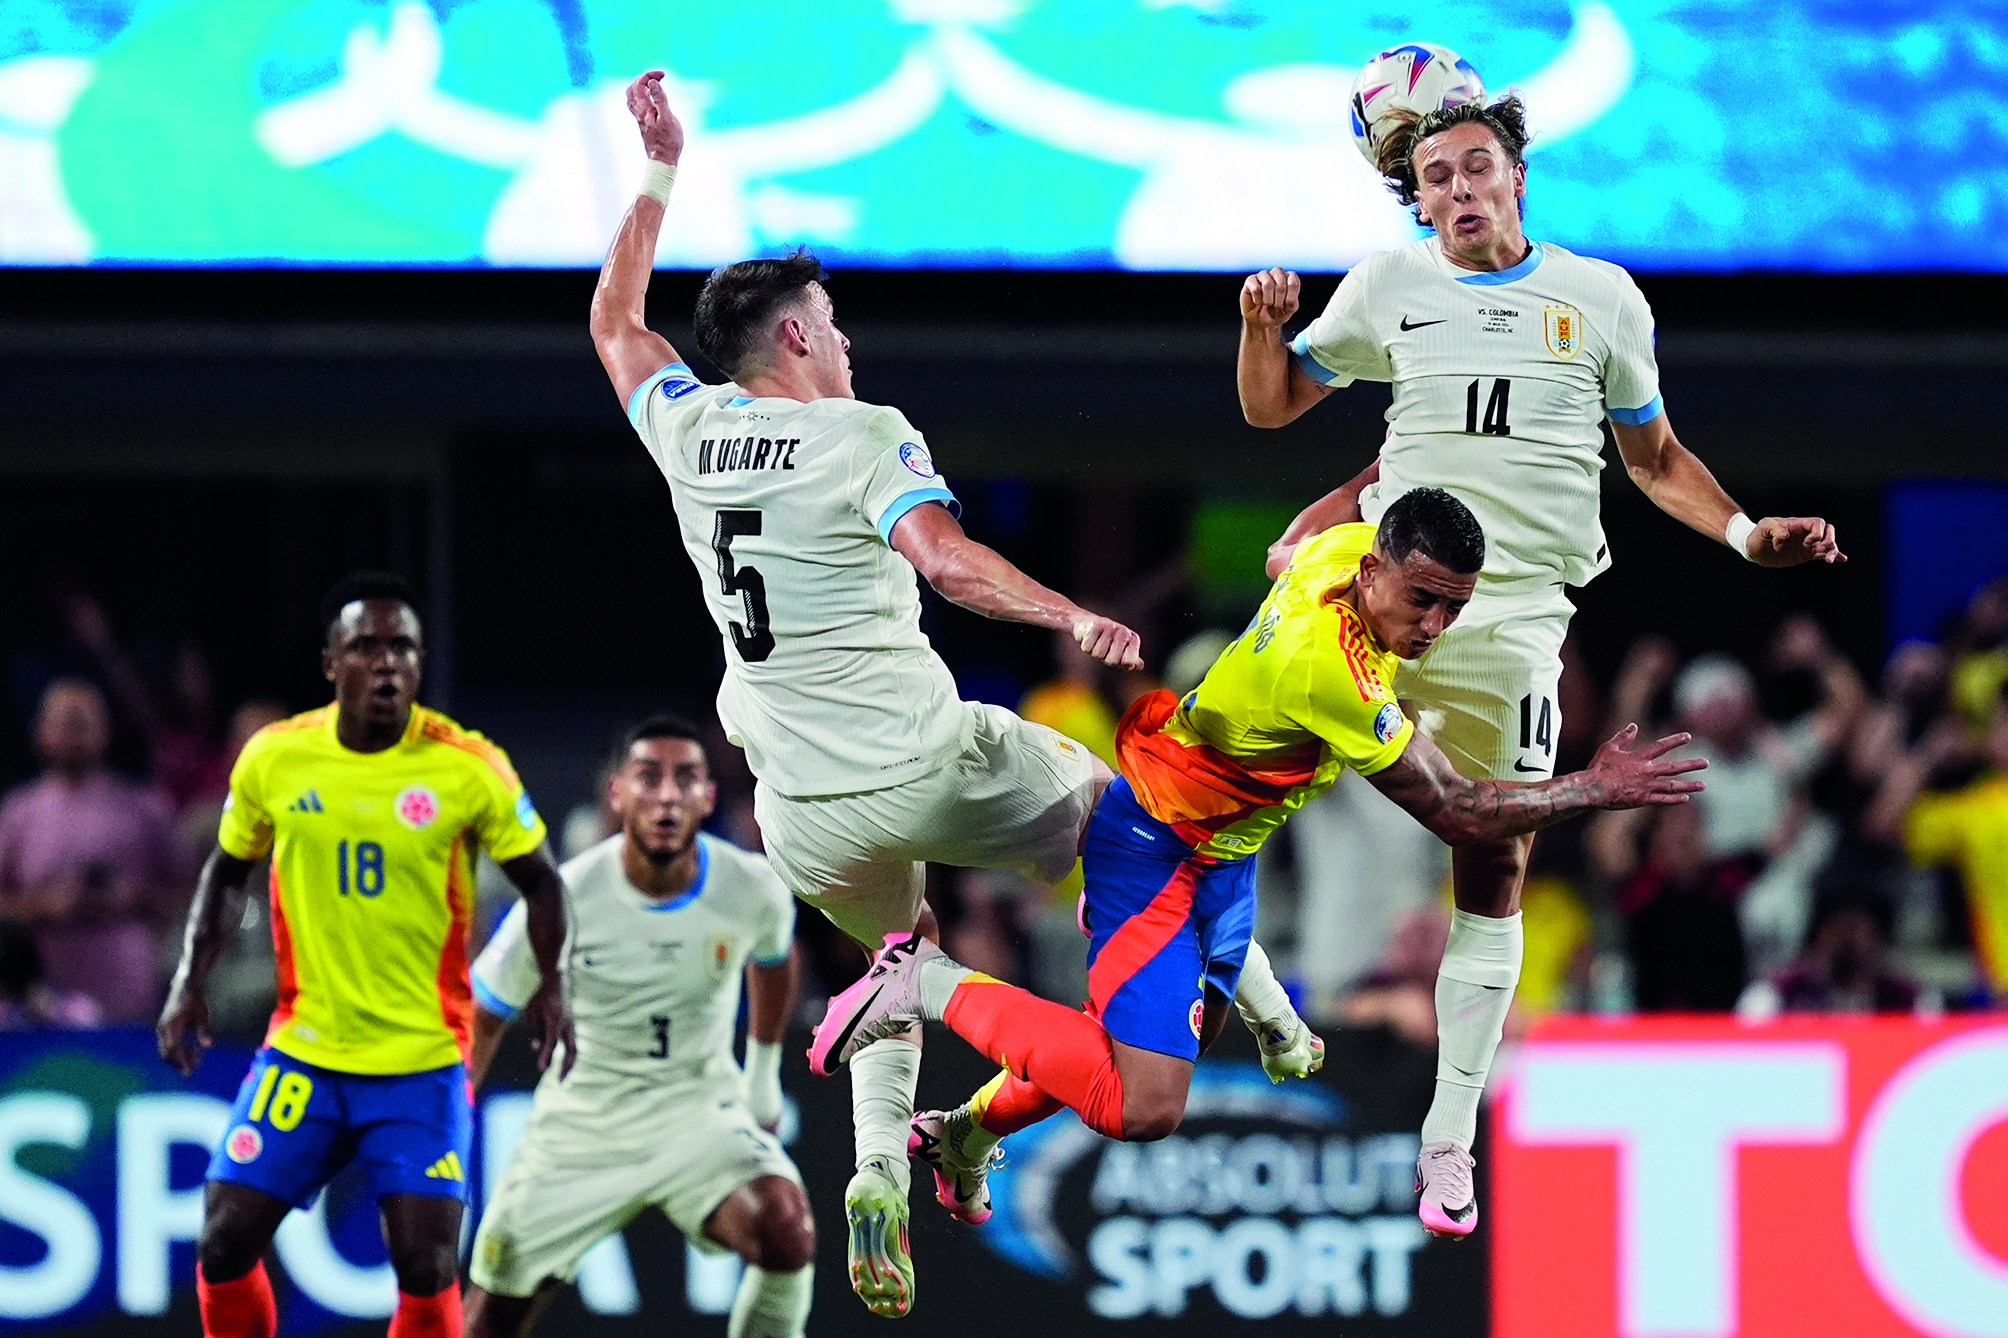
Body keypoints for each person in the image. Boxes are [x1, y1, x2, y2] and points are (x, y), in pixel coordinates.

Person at [588, 71, 1319, 1317]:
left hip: (803, 812)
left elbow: (615, 322)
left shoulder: (686, 426)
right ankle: (1272, 1019)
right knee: (1155, 815)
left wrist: (655, 176)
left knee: (894, 949)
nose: (850, 340)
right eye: (837, 323)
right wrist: (1066, 612)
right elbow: (944, 561)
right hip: (929, 759)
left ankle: (878, 1166)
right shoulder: (863, 432)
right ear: (802, 340)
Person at [1233, 94, 1845, 1235]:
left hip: (1513, 621)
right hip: (1373, 592)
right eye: (1433, 178)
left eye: (1475, 168)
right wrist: (1262, 326)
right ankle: (1256, 1007)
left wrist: (1745, 533)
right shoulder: (1385, 288)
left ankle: (1448, 1141)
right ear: (1413, 201)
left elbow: (1656, 461)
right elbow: (1272, 409)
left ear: (1517, 178)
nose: (1457, 190)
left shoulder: (1601, 298)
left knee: (1494, 864)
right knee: (1218, 779)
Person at [813, 490, 1704, 1238]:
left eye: (1452, 608)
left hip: (1221, 852)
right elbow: (1461, 812)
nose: (1433, 627)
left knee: (1134, 1033)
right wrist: (1594, 786)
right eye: (1422, 600)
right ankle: (923, 982)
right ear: (1374, 571)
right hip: (1153, 849)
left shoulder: (1345, 550)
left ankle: (963, 1135)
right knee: (1145, 1104)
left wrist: (1389, 455)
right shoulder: (1332, 675)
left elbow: (1293, 547)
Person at [155, 572, 574, 1338]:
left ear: (419, 665)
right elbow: (225, 869)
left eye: (403, 648)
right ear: (330, 663)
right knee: (222, 1241)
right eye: (367, 647)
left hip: (420, 1058)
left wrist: (553, 987)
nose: (387, 664)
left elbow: (543, 885)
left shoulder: (467, 765)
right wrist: (190, 980)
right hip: (306, 1050)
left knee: (427, 1265)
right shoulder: (275, 759)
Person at [464, 716, 814, 1338]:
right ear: (617, 795)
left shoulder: (752, 886)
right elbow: (484, 1012)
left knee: (786, 1229)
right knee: (492, 1318)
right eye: (648, 778)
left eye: (686, 779)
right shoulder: (560, 902)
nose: (667, 795)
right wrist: (447, 1119)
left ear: (709, 797)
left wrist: (761, 1075)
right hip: (582, 1126)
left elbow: (774, 957)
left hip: (698, 1114)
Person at [0, 677, 182, 1019]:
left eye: (83, 725)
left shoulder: (146, 807)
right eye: (64, 724)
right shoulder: (16, 813)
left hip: (133, 992)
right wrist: (43, 905)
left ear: (105, 732)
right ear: (41, 732)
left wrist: (136, 899)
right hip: (39, 996)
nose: (74, 736)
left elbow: (193, 895)